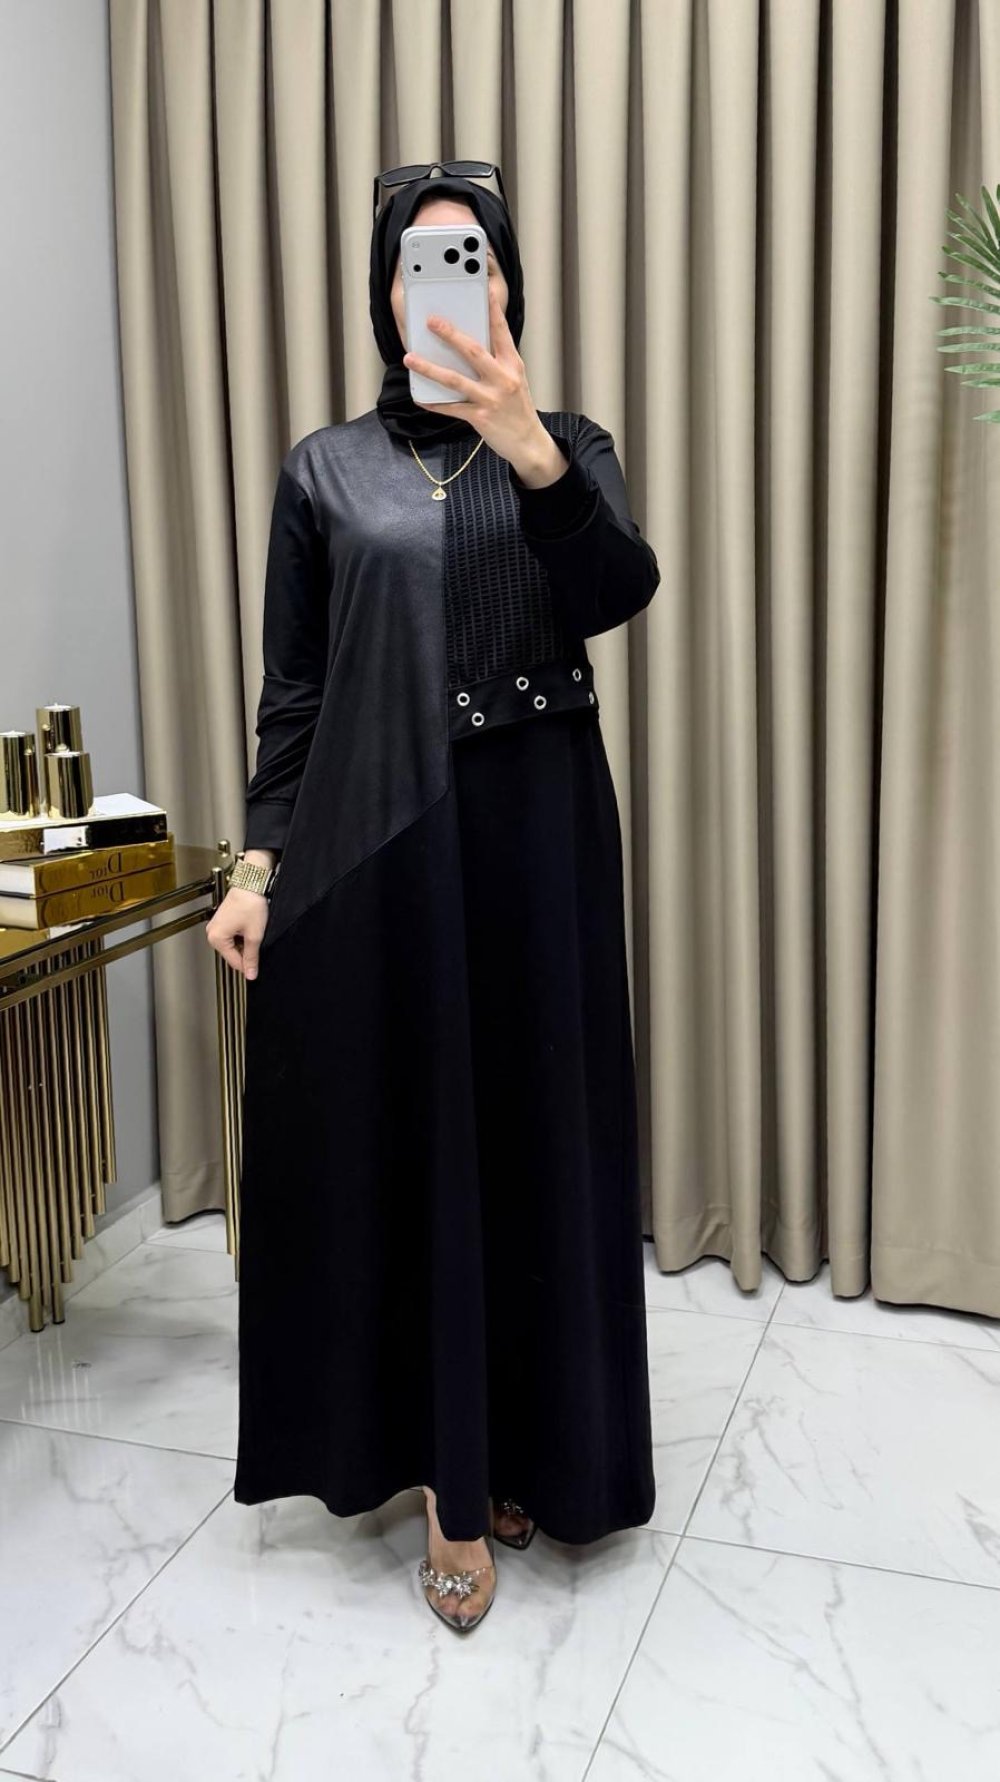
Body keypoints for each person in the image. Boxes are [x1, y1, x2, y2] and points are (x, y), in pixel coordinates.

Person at [207, 163, 661, 1635]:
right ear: (385, 294)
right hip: (384, 847)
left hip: (538, 843)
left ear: (507, 285)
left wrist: (528, 446)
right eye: (422, 260)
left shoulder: (569, 445)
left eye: (474, 258)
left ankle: (525, 1447)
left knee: (534, 1140)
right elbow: (294, 691)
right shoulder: (325, 470)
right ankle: (450, 1488)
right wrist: (257, 865)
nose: (449, 280)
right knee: (416, 1146)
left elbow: (617, 592)